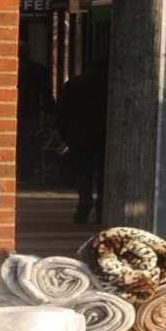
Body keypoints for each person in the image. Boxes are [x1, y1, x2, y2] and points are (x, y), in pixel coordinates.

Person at [55, 64, 108, 224]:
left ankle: (84, 202)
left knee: (83, 170)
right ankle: (101, 207)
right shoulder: (111, 84)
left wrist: (65, 135)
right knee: (104, 172)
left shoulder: (74, 84)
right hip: (104, 134)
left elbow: (62, 112)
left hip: (80, 135)